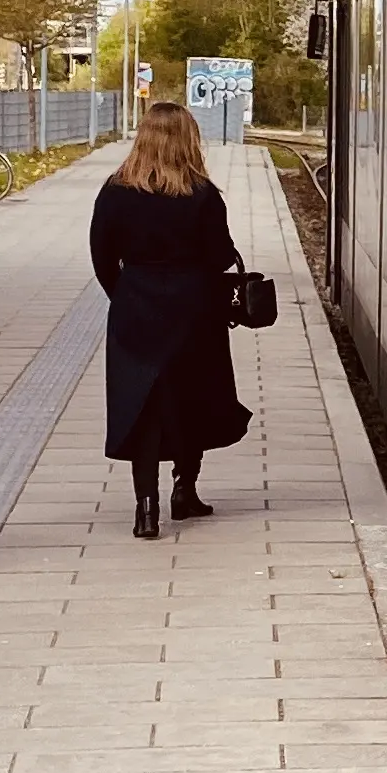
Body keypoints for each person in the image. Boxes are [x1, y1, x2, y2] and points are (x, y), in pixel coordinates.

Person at [89, 98, 252, 538]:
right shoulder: (202, 194)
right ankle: (186, 490)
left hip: (136, 311)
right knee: (191, 398)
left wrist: (124, 295)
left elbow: (102, 257)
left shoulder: (115, 190)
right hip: (194, 310)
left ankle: (146, 508)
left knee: (142, 407)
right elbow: (219, 257)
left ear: (142, 138)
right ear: (188, 140)